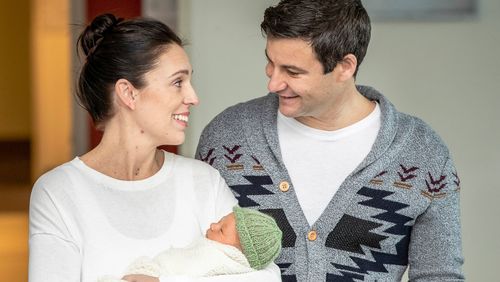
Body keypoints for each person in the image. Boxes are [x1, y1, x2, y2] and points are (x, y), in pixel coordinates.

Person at [195, 0, 465, 281]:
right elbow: (193, 255)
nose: (273, 83)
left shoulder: (422, 154)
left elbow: (439, 274)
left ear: (345, 66)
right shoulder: (227, 138)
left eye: (292, 71)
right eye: (270, 63)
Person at [28, 13, 281, 282]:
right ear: (128, 93)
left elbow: (265, 276)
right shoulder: (58, 193)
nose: (193, 97)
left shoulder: (203, 180)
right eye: (177, 82)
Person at [98, 206, 282, 281]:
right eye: (220, 220)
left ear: (239, 252)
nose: (214, 225)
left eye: (222, 230)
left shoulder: (215, 257)